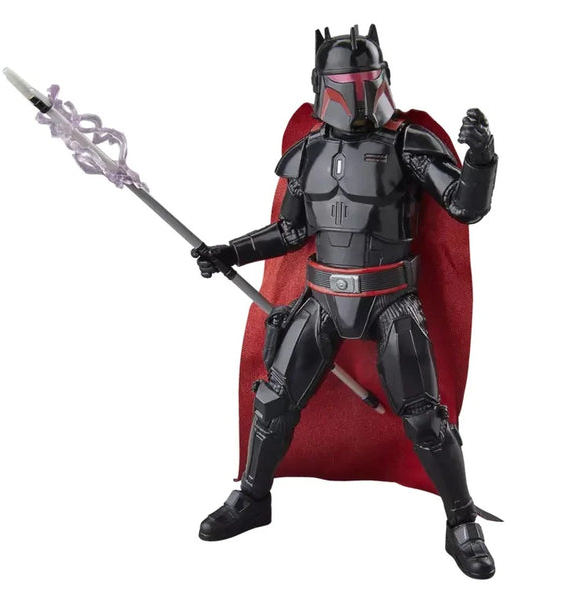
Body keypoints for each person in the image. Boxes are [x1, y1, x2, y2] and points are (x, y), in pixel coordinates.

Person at [193, 25, 498, 579]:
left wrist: (481, 160)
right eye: (346, 81)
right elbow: (290, 231)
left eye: (366, 79)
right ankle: (253, 497)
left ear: (382, 79)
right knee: (273, 401)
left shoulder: (407, 143)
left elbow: (463, 205)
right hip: (322, 298)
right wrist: (230, 251)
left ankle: (461, 522)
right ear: (321, 83)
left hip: (392, 300)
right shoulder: (308, 151)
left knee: (425, 419)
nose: (357, 93)